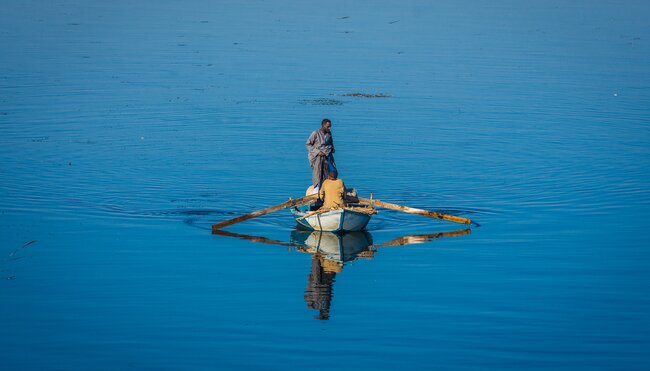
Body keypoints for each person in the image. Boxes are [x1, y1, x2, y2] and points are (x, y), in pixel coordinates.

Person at [306, 118, 337, 191]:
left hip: (328, 155)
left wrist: (332, 148)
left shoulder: (329, 133)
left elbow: (331, 143)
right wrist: (317, 152)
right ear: (323, 125)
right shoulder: (315, 133)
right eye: (328, 126)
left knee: (331, 171)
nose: (329, 128)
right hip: (318, 156)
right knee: (318, 172)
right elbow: (308, 144)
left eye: (330, 126)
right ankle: (316, 188)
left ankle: (326, 187)